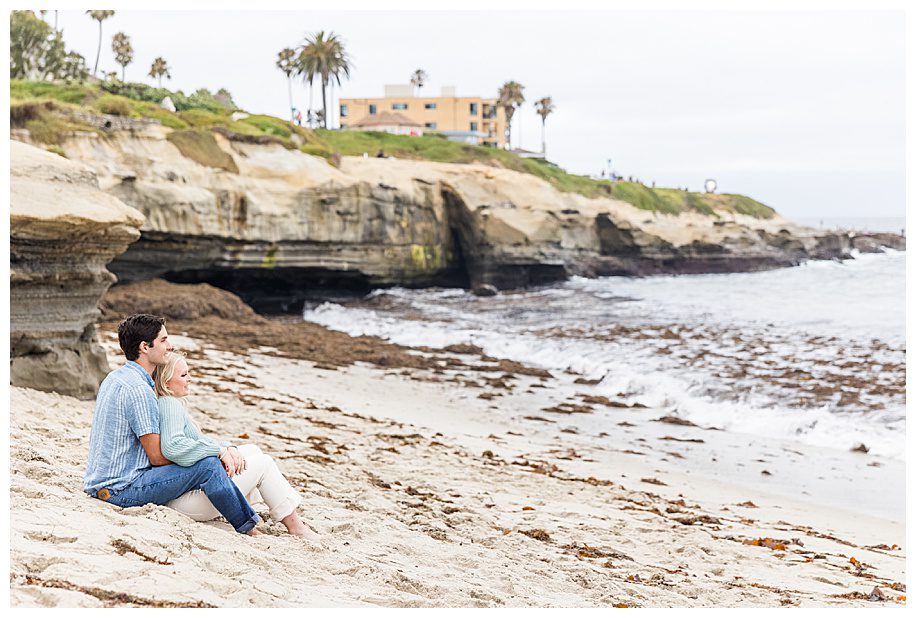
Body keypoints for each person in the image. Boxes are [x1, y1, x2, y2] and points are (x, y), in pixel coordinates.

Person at [83, 314, 262, 535]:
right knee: (208, 465)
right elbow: (157, 457)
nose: (170, 346)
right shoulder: (139, 390)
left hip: (102, 483)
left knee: (209, 460)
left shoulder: (115, 377)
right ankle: (248, 528)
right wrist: (214, 452)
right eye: (164, 340)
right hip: (120, 490)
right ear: (145, 347)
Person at [154, 351, 321, 541]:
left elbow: (196, 443)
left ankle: (245, 507)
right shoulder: (169, 404)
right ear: (166, 382)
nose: (190, 379)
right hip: (185, 504)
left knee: (251, 450)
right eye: (183, 375)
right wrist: (219, 451)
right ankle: (296, 527)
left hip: (186, 496)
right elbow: (173, 446)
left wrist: (227, 448)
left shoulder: (171, 403)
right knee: (263, 463)